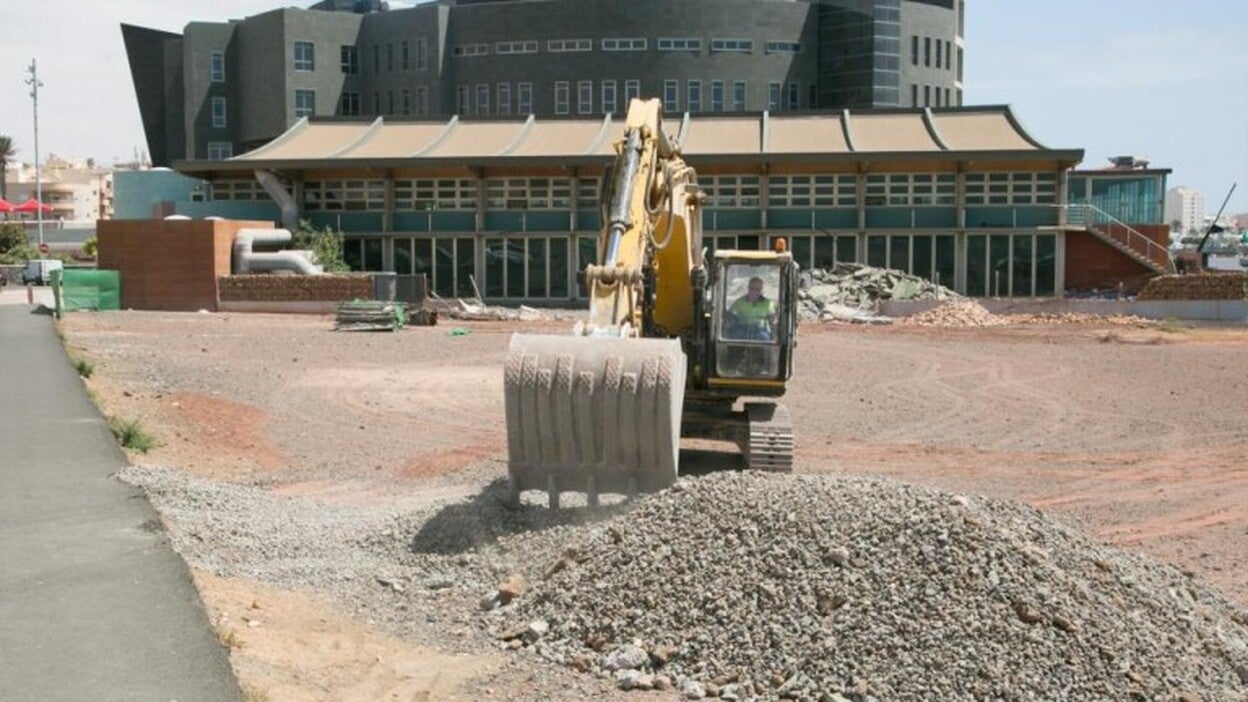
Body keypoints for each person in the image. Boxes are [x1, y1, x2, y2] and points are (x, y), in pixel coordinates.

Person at [727, 276, 777, 341]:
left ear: (761, 290)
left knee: (764, 337)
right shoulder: (739, 302)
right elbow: (731, 315)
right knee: (735, 335)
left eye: (757, 289)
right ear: (748, 288)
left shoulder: (768, 304)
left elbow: (772, 317)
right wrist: (729, 321)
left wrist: (774, 321)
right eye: (751, 288)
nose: (754, 291)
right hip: (742, 328)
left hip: (760, 330)